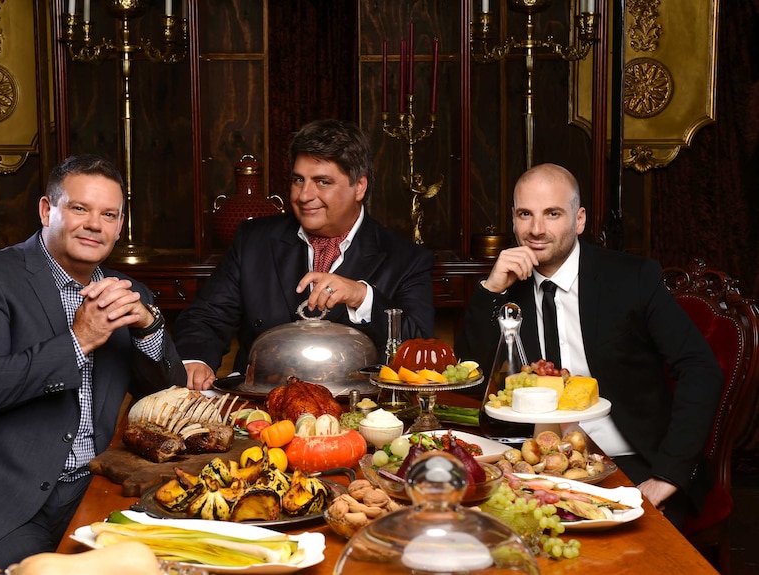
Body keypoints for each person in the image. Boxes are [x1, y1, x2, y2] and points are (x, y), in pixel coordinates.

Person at [0, 155, 187, 575]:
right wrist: (80, 339)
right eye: (79, 208)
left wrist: (149, 326)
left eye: (108, 214)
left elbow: (167, 396)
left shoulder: (127, 292)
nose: (94, 224)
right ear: (46, 210)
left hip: (87, 487)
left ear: (120, 227)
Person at [456, 163, 723, 530]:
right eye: (525, 215)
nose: (536, 230)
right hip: (532, 465)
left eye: (553, 214)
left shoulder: (632, 278)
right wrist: (490, 291)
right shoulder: (506, 287)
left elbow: (700, 369)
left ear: (579, 219)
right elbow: (472, 382)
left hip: (630, 462)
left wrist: (668, 476)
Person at [174, 119, 435, 390]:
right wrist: (196, 359)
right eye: (299, 180)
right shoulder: (253, 240)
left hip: (357, 414)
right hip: (258, 406)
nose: (304, 195)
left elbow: (422, 355)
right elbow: (206, 317)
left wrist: (363, 297)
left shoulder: (407, 258)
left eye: (322, 182)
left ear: (359, 186)